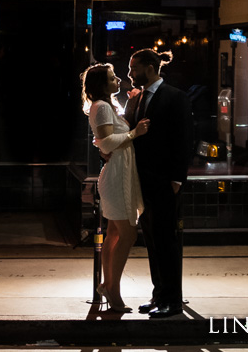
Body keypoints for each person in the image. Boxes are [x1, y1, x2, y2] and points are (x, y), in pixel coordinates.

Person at [124, 48, 192, 319]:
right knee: (152, 240)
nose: (130, 74)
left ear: (150, 68)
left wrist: (177, 179)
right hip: (143, 182)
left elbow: (184, 139)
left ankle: (172, 299)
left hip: (165, 181)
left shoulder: (176, 97)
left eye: (134, 68)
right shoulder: (137, 98)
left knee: (167, 241)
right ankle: (158, 294)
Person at [83, 63, 150, 312]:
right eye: (112, 77)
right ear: (102, 84)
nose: (118, 79)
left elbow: (101, 140)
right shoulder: (101, 107)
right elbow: (108, 142)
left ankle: (108, 285)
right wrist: (135, 133)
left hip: (120, 174)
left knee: (114, 234)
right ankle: (113, 289)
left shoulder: (109, 106)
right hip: (115, 178)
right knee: (128, 235)